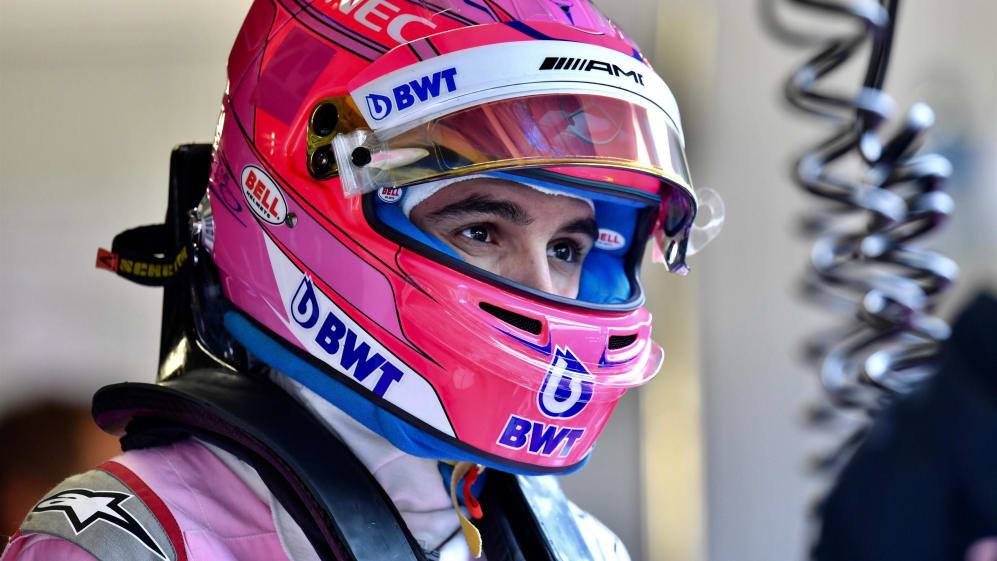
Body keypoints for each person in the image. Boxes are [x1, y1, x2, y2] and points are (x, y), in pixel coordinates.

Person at [1, 1, 722, 559]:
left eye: (566, 248)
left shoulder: (583, 546)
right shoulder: (131, 543)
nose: (543, 288)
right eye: (481, 231)